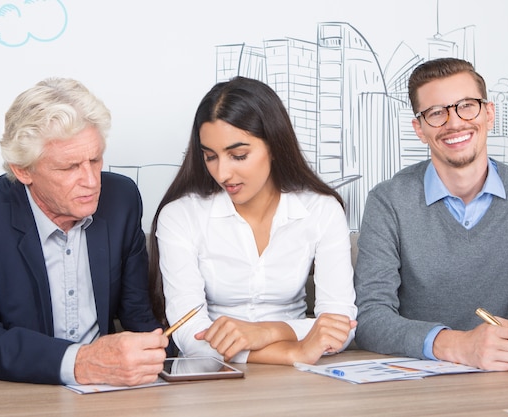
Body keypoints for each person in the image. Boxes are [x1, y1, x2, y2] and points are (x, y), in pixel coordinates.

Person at [354, 58, 508, 371]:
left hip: (505, 377)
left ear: (489, 114)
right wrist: (459, 344)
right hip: (414, 381)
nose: (455, 122)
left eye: (467, 106)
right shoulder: (388, 200)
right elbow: (370, 318)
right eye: (436, 113)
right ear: (419, 129)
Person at [0, 78, 169, 385]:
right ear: (23, 170)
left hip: (107, 395)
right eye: (69, 167)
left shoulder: (121, 200)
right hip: (21, 393)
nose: (91, 180)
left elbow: (138, 315)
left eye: (95, 160)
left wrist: (179, 359)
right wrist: (82, 362)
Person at [149, 76, 357, 365]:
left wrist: (265, 331)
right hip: (214, 379)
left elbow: (339, 327)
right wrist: (291, 351)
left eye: (238, 155)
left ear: (273, 144)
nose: (222, 174)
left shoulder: (322, 210)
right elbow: (189, 336)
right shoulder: (180, 216)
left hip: (302, 382)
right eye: (210, 157)